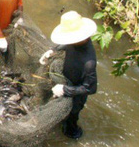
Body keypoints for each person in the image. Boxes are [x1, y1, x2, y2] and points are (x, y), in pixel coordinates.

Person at [39, 11, 98, 139]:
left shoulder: (89, 62)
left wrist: (65, 90)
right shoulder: (74, 42)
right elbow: (66, 44)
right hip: (65, 79)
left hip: (76, 94)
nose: (69, 40)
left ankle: (73, 134)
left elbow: (90, 88)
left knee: (70, 119)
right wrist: (53, 51)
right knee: (56, 110)